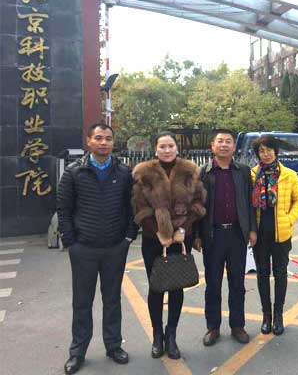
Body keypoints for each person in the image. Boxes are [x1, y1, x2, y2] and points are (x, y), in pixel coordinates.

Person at [57, 124, 138, 375]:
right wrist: (70, 242)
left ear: (113, 143)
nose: (104, 143)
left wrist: (128, 237)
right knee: (82, 302)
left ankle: (113, 346)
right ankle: (77, 352)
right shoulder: (74, 172)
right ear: (89, 141)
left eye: (108, 139)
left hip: (115, 247)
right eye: (99, 138)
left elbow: (132, 206)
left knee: (112, 300)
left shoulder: (124, 172)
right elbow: (64, 209)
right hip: (84, 249)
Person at [132, 132, 206, 360]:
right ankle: (157, 335)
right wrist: (158, 232)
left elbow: (198, 203)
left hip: (181, 239)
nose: (167, 150)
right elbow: (139, 207)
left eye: (170, 146)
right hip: (153, 239)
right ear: (156, 149)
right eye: (162, 146)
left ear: (177, 147)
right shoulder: (144, 173)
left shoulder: (189, 171)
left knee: (176, 286)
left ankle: (171, 334)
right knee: (156, 287)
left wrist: (183, 230)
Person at [197, 129, 257, 346]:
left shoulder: (243, 172)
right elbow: (196, 206)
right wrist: (197, 235)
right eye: (220, 141)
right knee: (213, 284)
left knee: (237, 283)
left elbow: (250, 202)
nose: (224, 145)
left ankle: (237, 326)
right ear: (212, 146)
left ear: (234, 146)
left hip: (237, 235)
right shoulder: (203, 172)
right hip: (212, 235)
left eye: (228, 141)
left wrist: (252, 230)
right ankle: (213, 327)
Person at [250, 135, 298, 335]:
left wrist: (290, 219)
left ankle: (278, 315)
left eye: (268, 150)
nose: (265, 154)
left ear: (276, 151)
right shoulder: (252, 175)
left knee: (280, 274)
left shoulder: (289, 175)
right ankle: (266, 316)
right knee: (262, 274)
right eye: (261, 151)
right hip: (260, 234)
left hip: (281, 234)